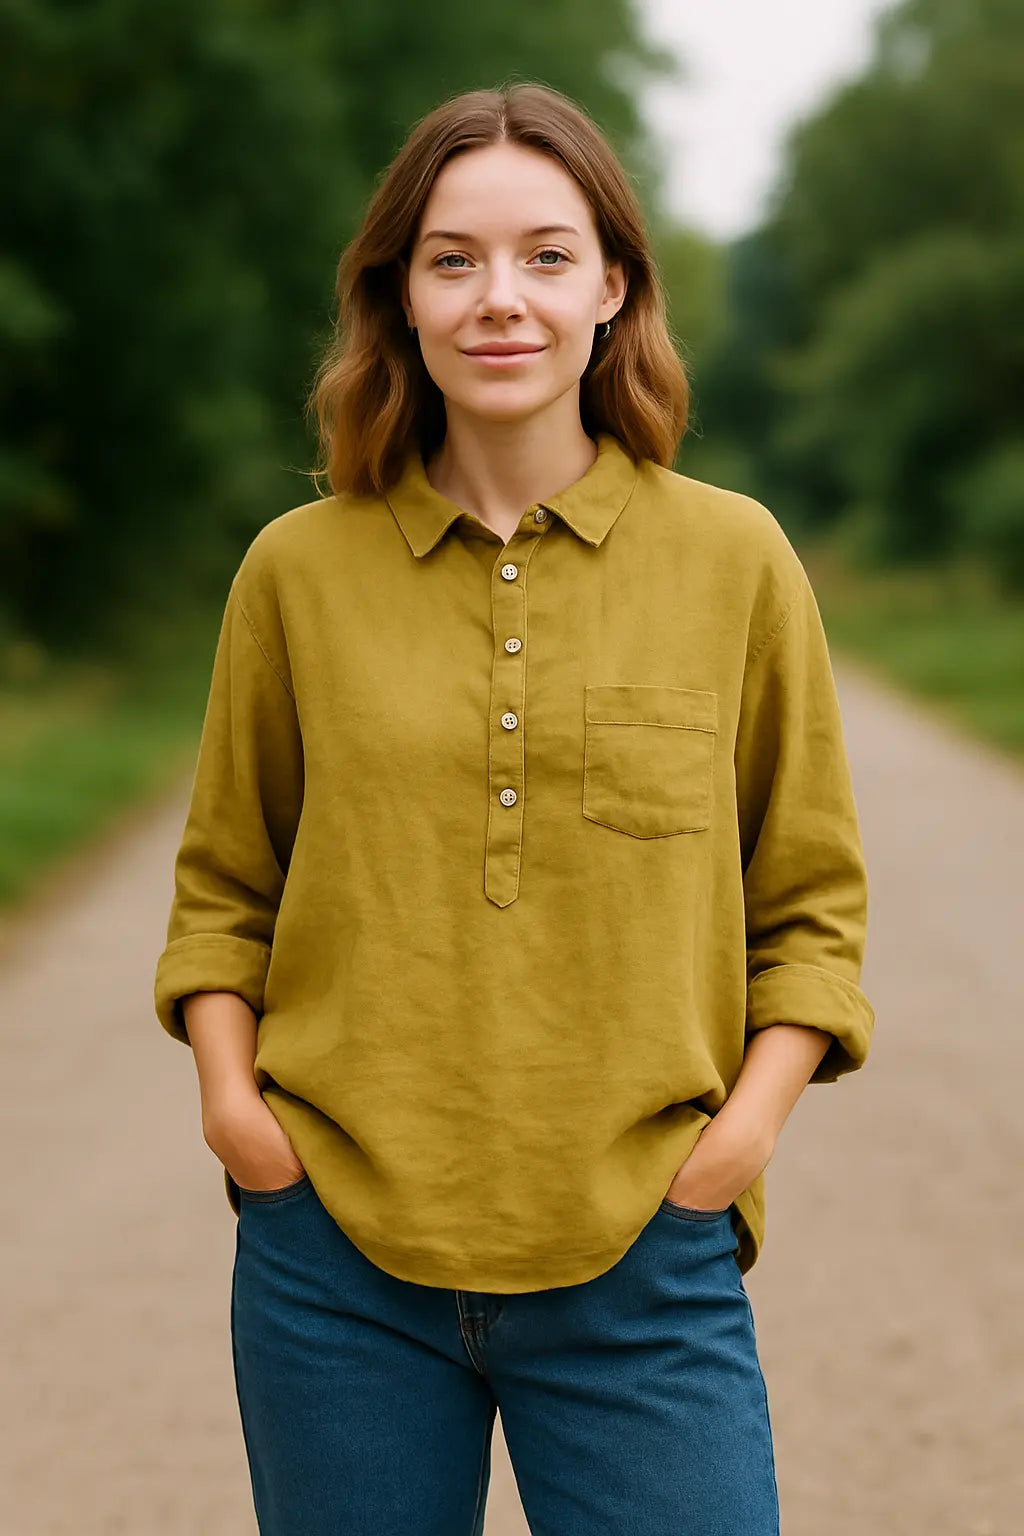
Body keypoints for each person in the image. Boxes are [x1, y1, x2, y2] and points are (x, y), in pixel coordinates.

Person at [153, 80, 875, 1536]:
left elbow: (810, 905)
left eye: (547, 256)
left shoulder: (735, 560)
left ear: (614, 286)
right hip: (335, 1265)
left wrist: (733, 1146)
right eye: (453, 258)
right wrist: (243, 1119)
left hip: (642, 1261)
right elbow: (228, 887)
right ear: (399, 296)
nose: (502, 300)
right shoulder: (295, 572)